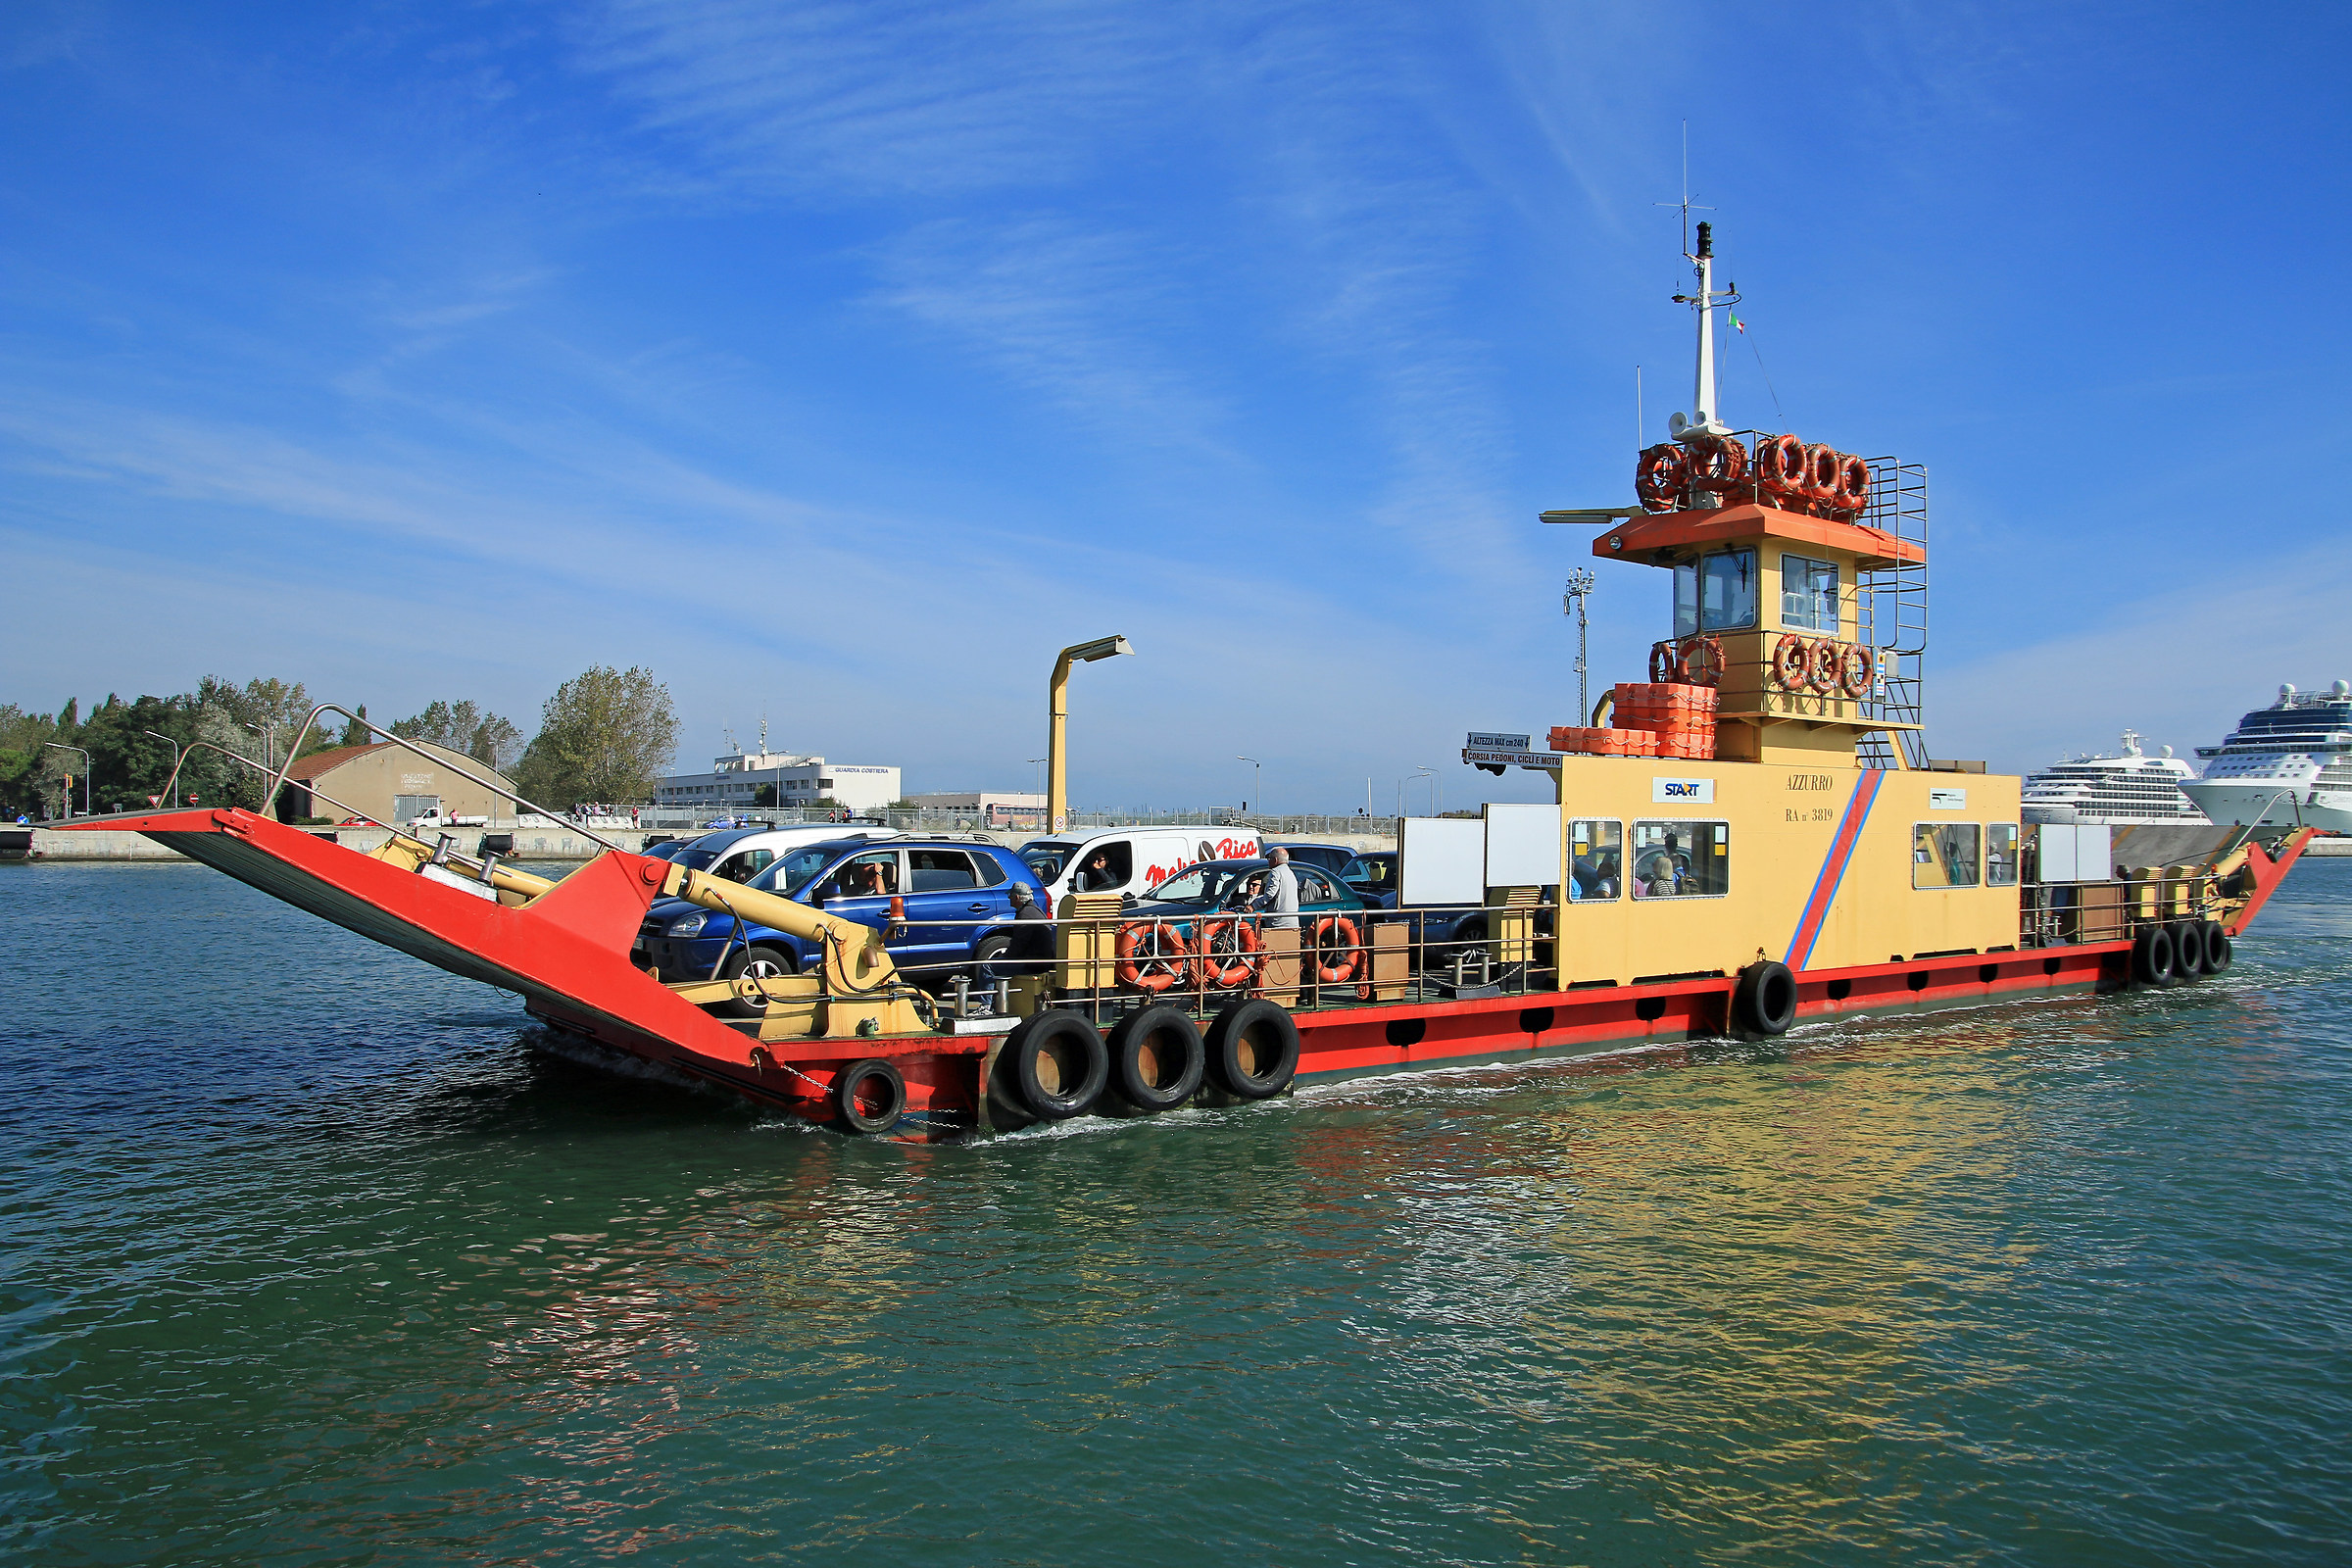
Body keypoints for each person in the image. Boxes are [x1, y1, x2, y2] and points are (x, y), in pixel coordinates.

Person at [1004, 882, 1055, 973]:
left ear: (1017, 897)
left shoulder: (1025, 914)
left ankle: (991, 988)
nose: (1009, 898)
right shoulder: (1034, 910)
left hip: (1032, 964)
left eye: (1010, 895)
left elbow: (1018, 944)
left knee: (988, 966)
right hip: (1042, 960)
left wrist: (1004, 958)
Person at [1254, 847, 1299, 930]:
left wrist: (1254, 905)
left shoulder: (1275, 872)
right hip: (1292, 922)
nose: (1268, 861)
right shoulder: (1291, 873)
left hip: (1277, 922)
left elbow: (1270, 894)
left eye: (1269, 858)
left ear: (1275, 860)